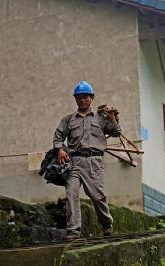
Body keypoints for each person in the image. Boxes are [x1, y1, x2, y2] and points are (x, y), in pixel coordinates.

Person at [53, 80, 121, 239]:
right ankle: (73, 230)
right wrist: (60, 149)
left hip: (94, 161)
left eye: (86, 97)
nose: (82, 100)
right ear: (75, 99)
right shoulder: (68, 119)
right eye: (79, 97)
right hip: (74, 162)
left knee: (97, 196)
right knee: (71, 194)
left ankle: (106, 224)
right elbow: (57, 137)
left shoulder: (101, 118)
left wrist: (112, 116)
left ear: (92, 98)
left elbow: (117, 132)